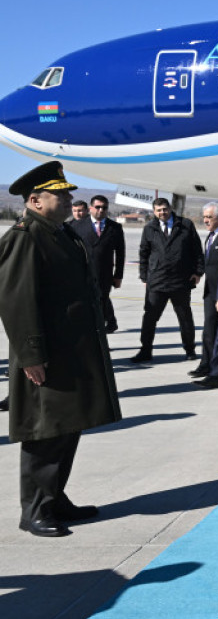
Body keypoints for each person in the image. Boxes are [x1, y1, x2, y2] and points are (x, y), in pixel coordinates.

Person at [0, 161, 121, 537]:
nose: (71, 200)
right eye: (62, 194)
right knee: (45, 431)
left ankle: (55, 498)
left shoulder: (60, 234)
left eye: (70, 194)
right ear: (35, 200)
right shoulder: (24, 237)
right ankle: (35, 509)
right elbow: (17, 301)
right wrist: (32, 355)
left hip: (72, 353)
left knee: (68, 427)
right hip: (47, 356)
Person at [131, 198, 204, 363]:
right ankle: (145, 350)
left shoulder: (185, 225)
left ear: (170, 208)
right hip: (157, 281)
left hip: (181, 280)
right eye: (158, 210)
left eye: (164, 209)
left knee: (185, 317)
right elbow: (144, 253)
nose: (162, 213)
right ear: (154, 212)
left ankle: (190, 349)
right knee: (149, 318)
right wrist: (144, 277)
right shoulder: (149, 228)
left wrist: (198, 272)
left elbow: (197, 251)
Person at [70, 194, 124, 333]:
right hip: (82, 275)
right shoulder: (76, 226)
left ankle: (101, 346)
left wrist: (118, 276)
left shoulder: (115, 228)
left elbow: (120, 254)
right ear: (91, 208)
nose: (101, 210)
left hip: (104, 277)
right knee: (84, 311)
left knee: (101, 310)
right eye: (98, 207)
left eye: (104, 208)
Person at [190, 202, 218, 389]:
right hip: (209, 292)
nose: (205, 220)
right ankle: (206, 365)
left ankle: (215, 373)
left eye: (209, 217)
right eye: (204, 217)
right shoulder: (211, 236)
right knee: (208, 332)